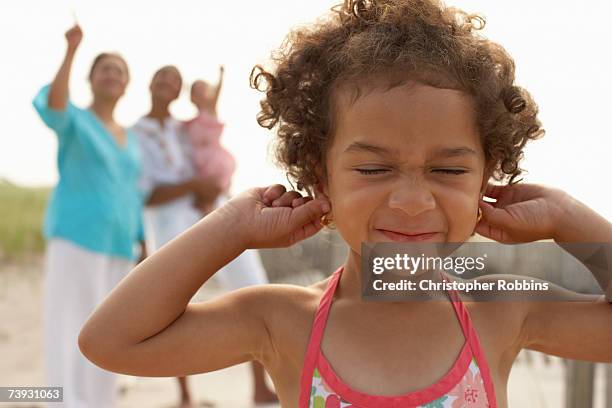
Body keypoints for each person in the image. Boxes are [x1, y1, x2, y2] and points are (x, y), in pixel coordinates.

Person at [79, 1, 612, 407]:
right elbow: (110, 341)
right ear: (321, 177)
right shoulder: (282, 321)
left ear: (485, 180)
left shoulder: (501, 310)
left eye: (448, 170)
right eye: (373, 168)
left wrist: (568, 218)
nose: (410, 200)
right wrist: (231, 227)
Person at [132, 65, 277, 406]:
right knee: (169, 306)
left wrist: (215, 186)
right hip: (168, 223)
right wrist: (192, 186)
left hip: (215, 212)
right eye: (163, 77)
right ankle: (184, 393)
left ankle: (259, 385)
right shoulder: (134, 134)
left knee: (253, 286)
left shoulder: (184, 129)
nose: (168, 83)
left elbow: (211, 153)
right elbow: (144, 194)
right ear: (150, 82)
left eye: (175, 80)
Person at [32, 24, 144, 407]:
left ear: (127, 85)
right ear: (91, 79)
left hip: (119, 244)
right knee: (68, 325)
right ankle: (60, 402)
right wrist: (71, 49)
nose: (112, 74)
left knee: (109, 331)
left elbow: (132, 189)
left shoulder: (129, 137)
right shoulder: (75, 120)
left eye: (119, 70)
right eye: (105, 69)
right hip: (76, 235)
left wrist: (142, 238)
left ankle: (100, 401)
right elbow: (53, 105)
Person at [184, 66, 236, 214]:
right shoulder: (190, 122)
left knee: (213, 187)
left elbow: (218, 91)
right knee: (199, 191)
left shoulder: (211, 110)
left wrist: (221, 76)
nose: (200, 93)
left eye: (203, 89)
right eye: (196, 91)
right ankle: (204, 208)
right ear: (192, 97)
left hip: (213, 158)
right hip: (198, 158)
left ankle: (210, 208)